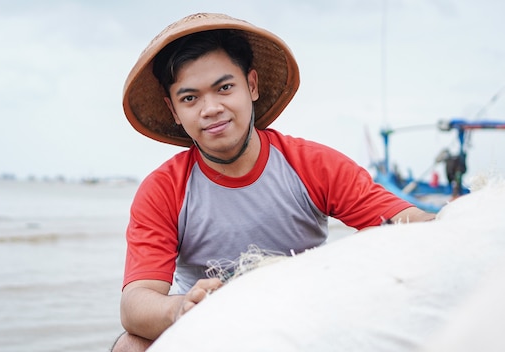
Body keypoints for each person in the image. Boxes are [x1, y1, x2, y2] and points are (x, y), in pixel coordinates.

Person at [113, 13, 435, 351]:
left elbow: (410, 223)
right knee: (130, 345)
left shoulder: (311, 164)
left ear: (251, 85)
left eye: (224, 88)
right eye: (190, 98)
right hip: (208, 327)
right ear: (174, 110)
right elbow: (135, 304)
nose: (211, 108)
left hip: (304, 322)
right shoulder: (164, 189)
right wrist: (179, 307)